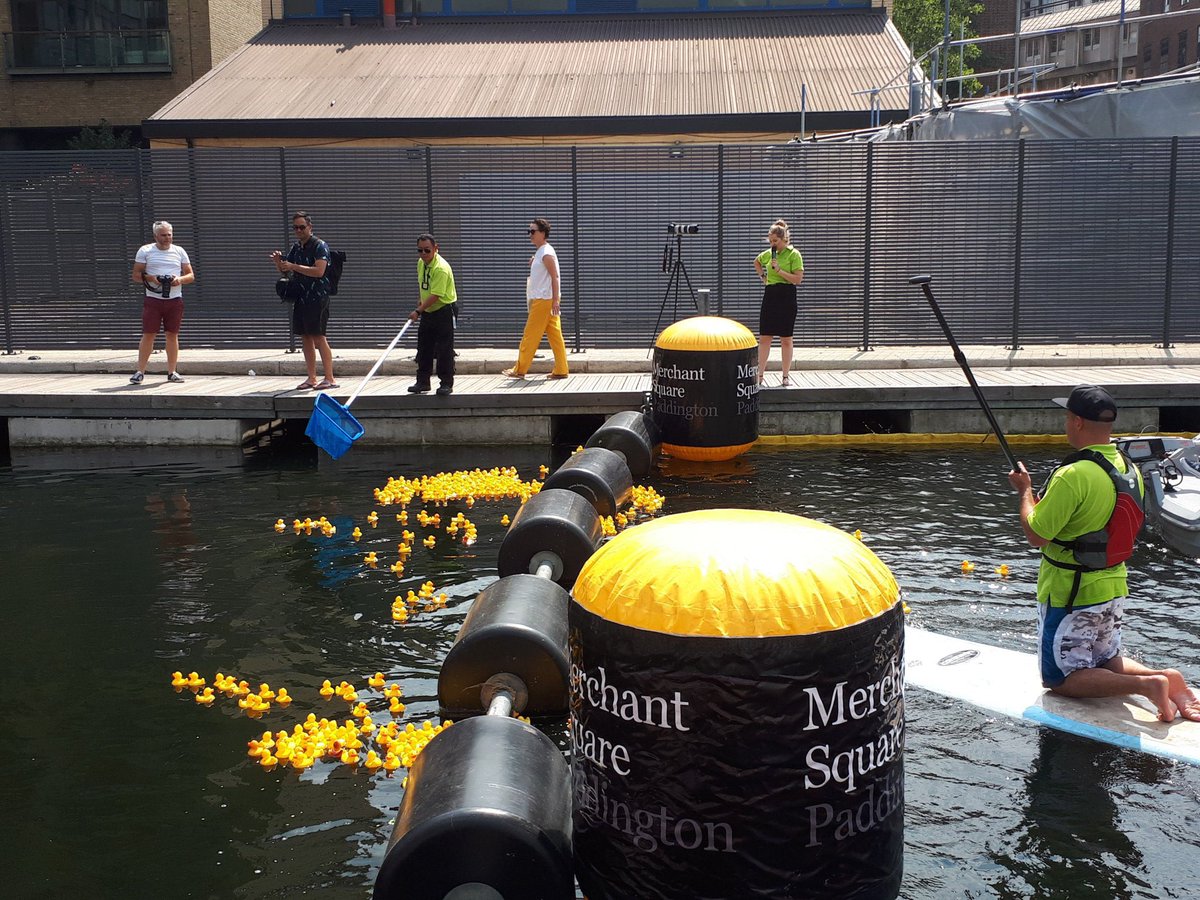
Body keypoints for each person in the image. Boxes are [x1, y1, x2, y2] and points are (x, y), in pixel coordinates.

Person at [1008, 384, 1200, 723]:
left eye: (1067, 418)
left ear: (1077, 422)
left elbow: (1036, 535)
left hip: (1071, 592)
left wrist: (1025, 491)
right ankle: (1166, 678)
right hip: (1113, 588)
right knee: (1105, 660)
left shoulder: (1073, 474)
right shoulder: (1127, 467)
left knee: (1060, 679)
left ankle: (1149, 685)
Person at [271, 211, 337, 391]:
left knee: (318, 336)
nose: (298, 231)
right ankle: (311, 378)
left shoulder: (319, 246)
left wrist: (293, 266)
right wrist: (279, 263)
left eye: (302, 227)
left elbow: (319, 271)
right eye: (295, 228)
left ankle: (330, 378)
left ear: (310, 227)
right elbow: (286, 270)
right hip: (301, 296)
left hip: (317, 297)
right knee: (305, 336)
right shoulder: (297, 247)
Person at [502, 217, 569, 380]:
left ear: (543, 233)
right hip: (545, 299)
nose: (530, 234)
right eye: (529, 231)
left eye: (533, 231)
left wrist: (555, 300)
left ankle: (520, 370)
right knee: (555, 335)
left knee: (530, 335)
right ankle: (561, 369)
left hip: (543, 300)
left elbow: (555, 277)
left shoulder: (546, 253)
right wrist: (535, 261)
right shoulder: (542, 252)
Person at [130, 220, 194, 384]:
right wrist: (153, 279)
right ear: (155, 236)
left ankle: (172, 372)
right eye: (163, 235)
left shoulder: (179, 251)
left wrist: (178, 280)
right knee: (149, 334)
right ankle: (140, 371)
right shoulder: (145, 250)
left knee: (172, 334)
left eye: (169, 235)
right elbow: (136, 275)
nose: (167, 238)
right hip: (153, 299)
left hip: (175, 299)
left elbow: (190, 275)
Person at [753, 219, 804, 387]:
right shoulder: (768, 254)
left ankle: (785, 376)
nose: (772, 244)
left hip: (787, 295)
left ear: (784, 239)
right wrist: (763, 277)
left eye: (775, 241)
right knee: (765, 337)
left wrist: (779, 271)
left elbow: (798, 279)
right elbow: (757, 262)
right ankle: (760, 375)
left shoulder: (793, 254)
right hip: (771, 295)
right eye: (770, 241)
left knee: (786, 338)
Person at [408, 233, 457, 397]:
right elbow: (424, 286)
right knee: (424, 347)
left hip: (443, 309)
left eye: (427, 250)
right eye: (420, 250)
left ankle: (446, 383)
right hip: (428, 310)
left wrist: (418, 311)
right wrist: (420, 301)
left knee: (444, 349)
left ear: (436, 248)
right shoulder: (421, 263)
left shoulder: (440, 268)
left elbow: (436, 294)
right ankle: (423, 382)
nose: (423, 254)